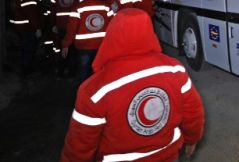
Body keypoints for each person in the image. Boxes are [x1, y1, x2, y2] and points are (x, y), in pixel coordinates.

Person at [60, 9, 205, 161]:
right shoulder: (175, 70)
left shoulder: (94, 90)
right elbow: (193, 112)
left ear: (113, 34)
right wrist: (191, 140)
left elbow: (79, 146)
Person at [61, 0, 113, 83]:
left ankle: (83, 94)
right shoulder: (106, 7)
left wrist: (65, 44)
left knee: (83, 73)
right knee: (98, 73)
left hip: (83, 47)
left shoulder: (78, 8)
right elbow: (112, 26)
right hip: (100, 46)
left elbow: (71, 29)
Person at [9, 0, 42, 74]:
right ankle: (27, 69)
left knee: (25, 48)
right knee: (29, 48)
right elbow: (32, 15)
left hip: (19, 27)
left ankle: (25, 67)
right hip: (28, 28)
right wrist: (38, 28)